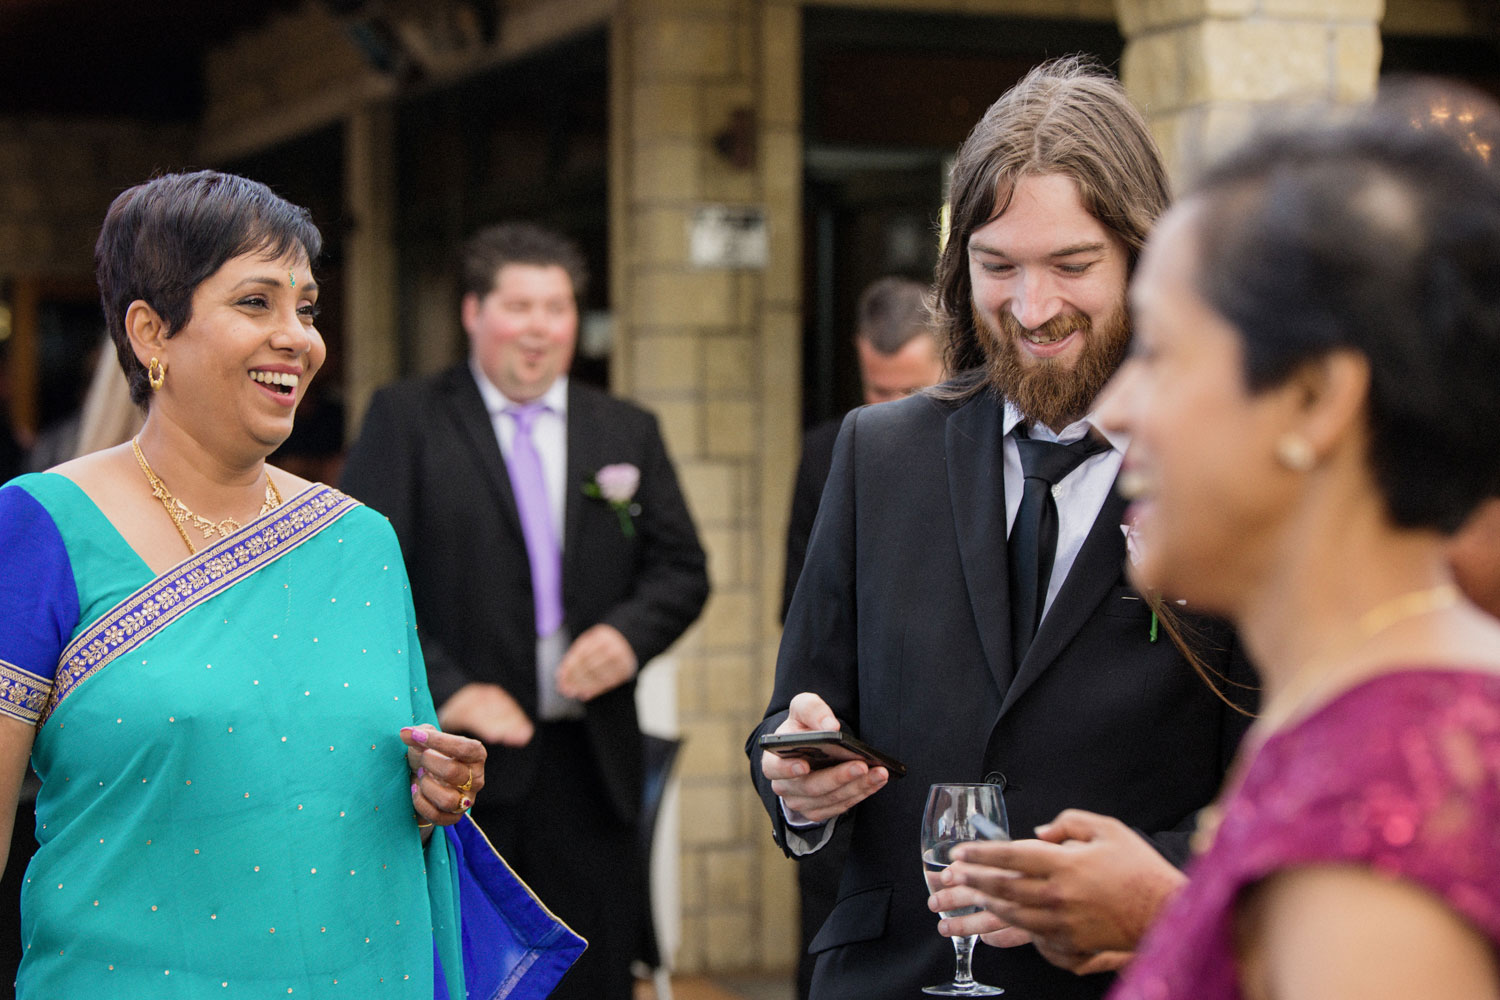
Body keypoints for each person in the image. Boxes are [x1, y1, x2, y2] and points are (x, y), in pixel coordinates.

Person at [943, 84, 1500, 999]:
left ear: (1316, 399)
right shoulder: (1361, 713)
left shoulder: (1384, 793)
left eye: (1163, 350)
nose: (1118, 406)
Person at [0, 170, 581, 999]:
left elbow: (354, 784)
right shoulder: (39, 528)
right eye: (256, 303)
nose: (299, 338)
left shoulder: (359, 541)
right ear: (150, 331)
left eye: (305, 308)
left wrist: (430, 796)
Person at [748, 56, 1254, 1000]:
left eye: (1071, 265)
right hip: (890, 974)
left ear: (1145, 256)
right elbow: (797, 712)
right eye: (997, 267)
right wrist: (797, 779)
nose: (1032, 308)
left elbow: (1268, 799)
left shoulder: (1226, 470)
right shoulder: (876, 453)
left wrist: (1123, 882)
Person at [341, 222, 709, 1000]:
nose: (541, 327)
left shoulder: (625, 429)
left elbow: (683, 569)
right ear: (473, 312)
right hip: (456, 773)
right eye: (519, 305)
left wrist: (626, 635)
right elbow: (361, 582)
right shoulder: (407, 419)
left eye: (558, 307)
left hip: (593, 765)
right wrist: (446, 686)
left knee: (592, 975)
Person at [781, 274, 944, 1000]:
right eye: (880, 391)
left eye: (912, 386)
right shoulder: (835, 452)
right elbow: (806, 606)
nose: (895, 409)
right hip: (855, 770)